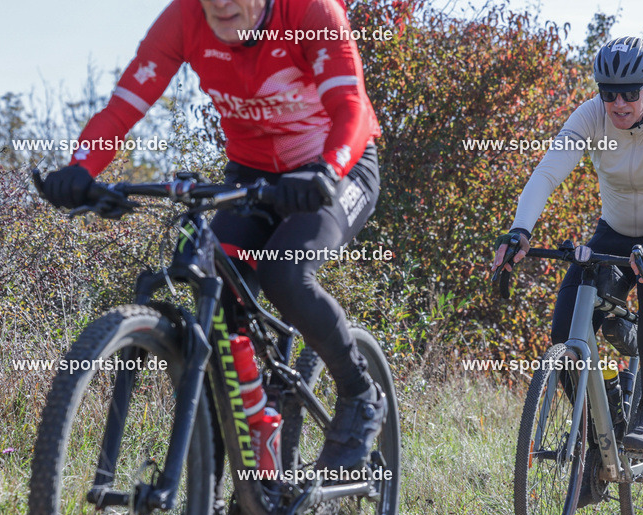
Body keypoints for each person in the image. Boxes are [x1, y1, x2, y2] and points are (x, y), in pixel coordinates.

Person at [41, 0, 385, 473]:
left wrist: (327, 170)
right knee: (216, 303)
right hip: (251, 179)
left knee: (285, 272)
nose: (220, 3)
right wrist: (81, 168)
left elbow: (352, 109)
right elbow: (123, 108)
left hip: (337, 169)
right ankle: (217, 507)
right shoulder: (184, 18)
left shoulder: (310, 11)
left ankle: (359, 394)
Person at [492, 36, 643, 467]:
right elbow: (548, 172)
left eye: (630, 93)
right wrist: (519, 232)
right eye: (609, 93)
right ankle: (596, 441)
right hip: (614, 231)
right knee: (565, 328)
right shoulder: (591, 116)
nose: (619, 103)